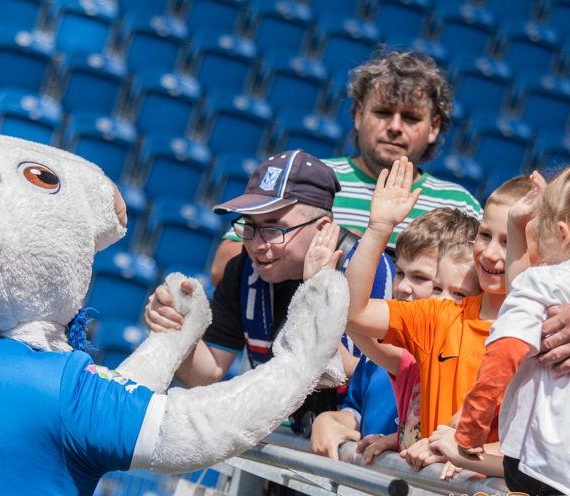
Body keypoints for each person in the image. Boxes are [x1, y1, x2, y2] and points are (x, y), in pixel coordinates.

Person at [143, 149, 395, 434]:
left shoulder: (369, 272)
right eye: (250, 227)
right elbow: (207, 371)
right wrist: (176, 327)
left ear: (323, 228)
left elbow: (386, 381)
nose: (257, 245)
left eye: (274, 229)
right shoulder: (242, 270)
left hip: (358, 453)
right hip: (286, 445)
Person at [209, 50, 482, 286]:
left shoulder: (459, 205)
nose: (395, 127)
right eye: (383, 112)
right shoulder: (307, 179)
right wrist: (338, 248)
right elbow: (220, 269)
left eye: (410, 118)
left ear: (433, 127)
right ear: (359, 114)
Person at [452, 161, 570, 496]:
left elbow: (504, 352)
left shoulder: (541, 281)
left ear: (562, 233)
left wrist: (471, 428)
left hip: (540, 468)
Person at [342, 157, 534, 477]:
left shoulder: (550, 335)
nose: (490, 254)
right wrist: (378, 229)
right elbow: (353, 311)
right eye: (485, 235)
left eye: (511, 241)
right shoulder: (440, 315)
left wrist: (462, 452)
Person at [310, 207, 480, 462]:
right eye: (400, 272)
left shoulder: (478, 358)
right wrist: (328, 419)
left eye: (421, 278)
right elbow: (359, 412)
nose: (402, 287)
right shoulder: (386, 359)